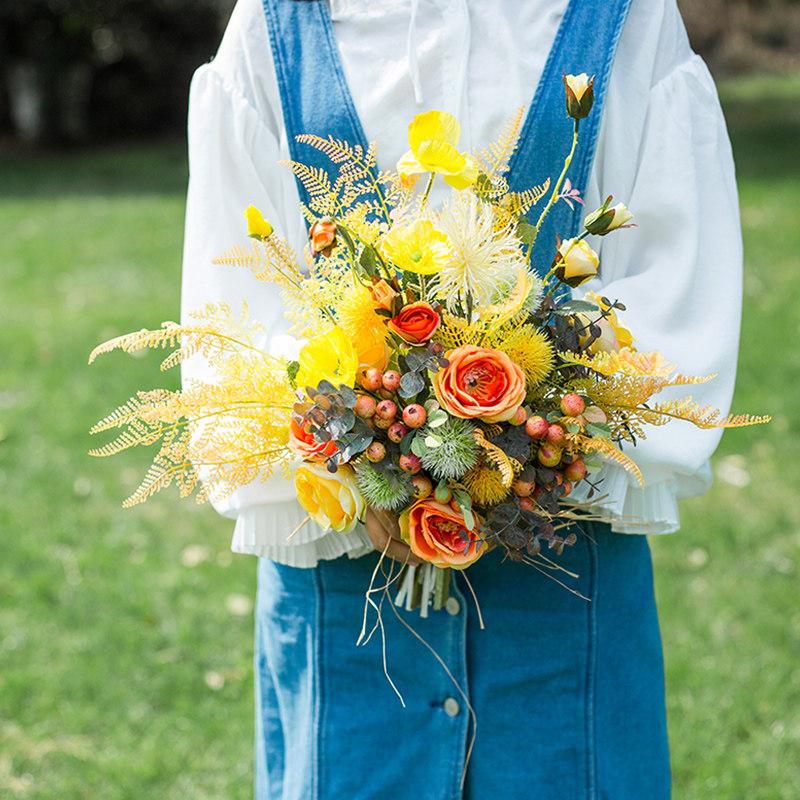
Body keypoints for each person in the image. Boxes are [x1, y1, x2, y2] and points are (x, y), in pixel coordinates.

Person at [181, 0, 742, 797]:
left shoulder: (628, 18)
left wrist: (537, 438)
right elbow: (231, 303)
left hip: (559, 590)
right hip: (348, 598)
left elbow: (677, 276)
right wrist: (367, 465)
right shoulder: (277, 26)